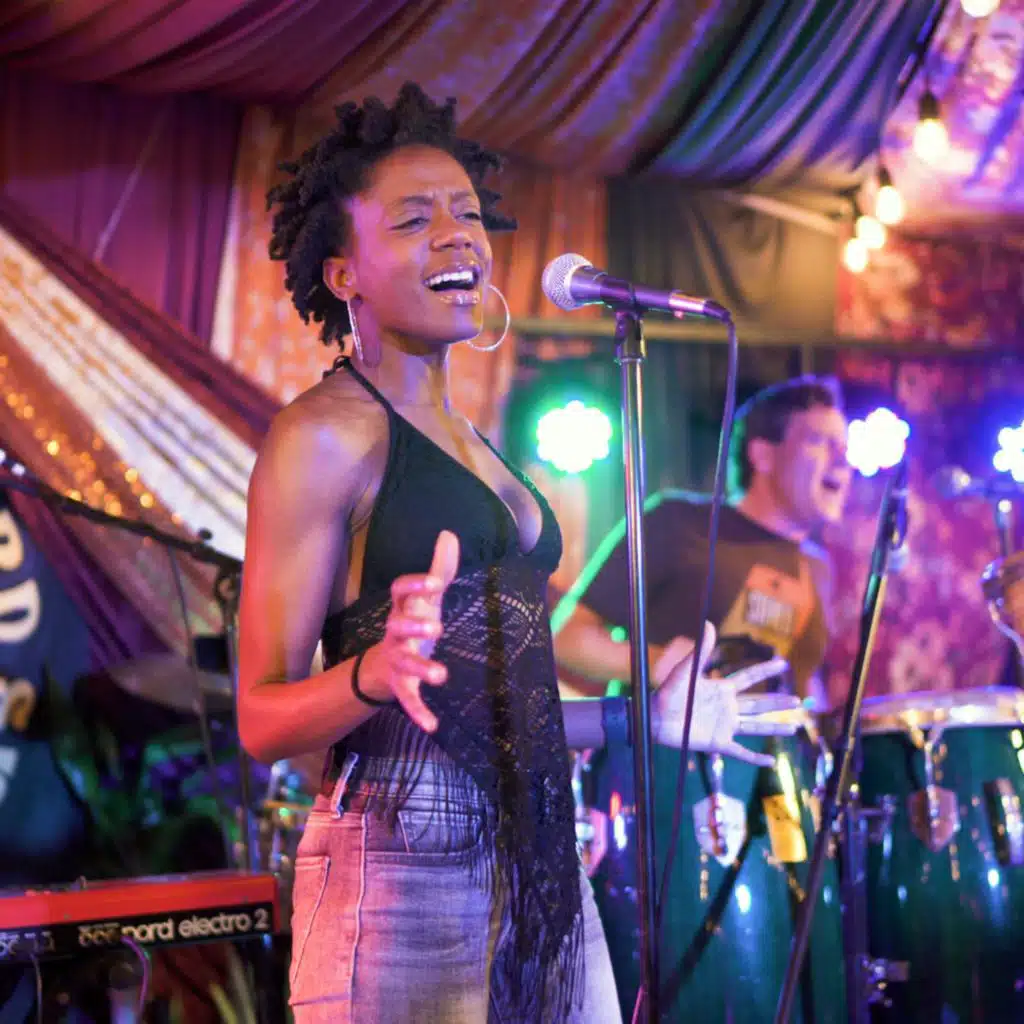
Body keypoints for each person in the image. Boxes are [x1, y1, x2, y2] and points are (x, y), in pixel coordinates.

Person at [236, 83, 774, 1024]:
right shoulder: (323, 436)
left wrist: (637, 720)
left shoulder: (476, 439)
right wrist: (370, 675)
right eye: (415, 220)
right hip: (403, 859)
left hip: (540, 853)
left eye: (468, 213)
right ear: (343, 273)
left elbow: (497, 716)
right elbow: (260, 718)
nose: (458, 237)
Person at [553, 375, 852, 707]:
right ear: (763, 455)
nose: (842, 459)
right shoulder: (677, 522)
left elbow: (805, 683)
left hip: (769, 741)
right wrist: (657, 662)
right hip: (666, 739)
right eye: (819, 441)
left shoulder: (817, 566)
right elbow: (567, 639)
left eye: (844, 447)